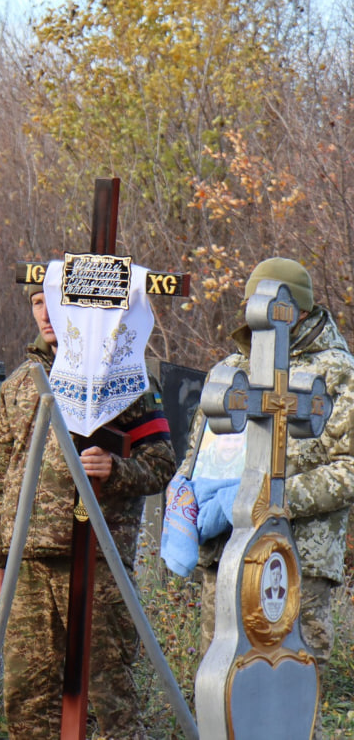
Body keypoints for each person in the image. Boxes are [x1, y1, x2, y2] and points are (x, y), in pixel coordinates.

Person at [0, 280, 175, 740]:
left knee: (111, 700)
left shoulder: (125, 375)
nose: (45, 314)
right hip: (27, 564)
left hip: (95, 562)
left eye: (54, 303)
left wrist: (115, 469)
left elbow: (161, 463)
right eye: (37, 303)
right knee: (28, 700)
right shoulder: (21, 383)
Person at [178, 258, 354, 677]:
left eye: (270, 302)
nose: (256, 312)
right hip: (227, 551)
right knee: (220, 682)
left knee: (290, 683)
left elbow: (349, 469)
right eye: (252, 302)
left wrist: (274, 499)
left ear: (301, 310)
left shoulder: (337, 373)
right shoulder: (230, 372)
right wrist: (182, 497)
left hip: (296, 560)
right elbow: (198, 456)